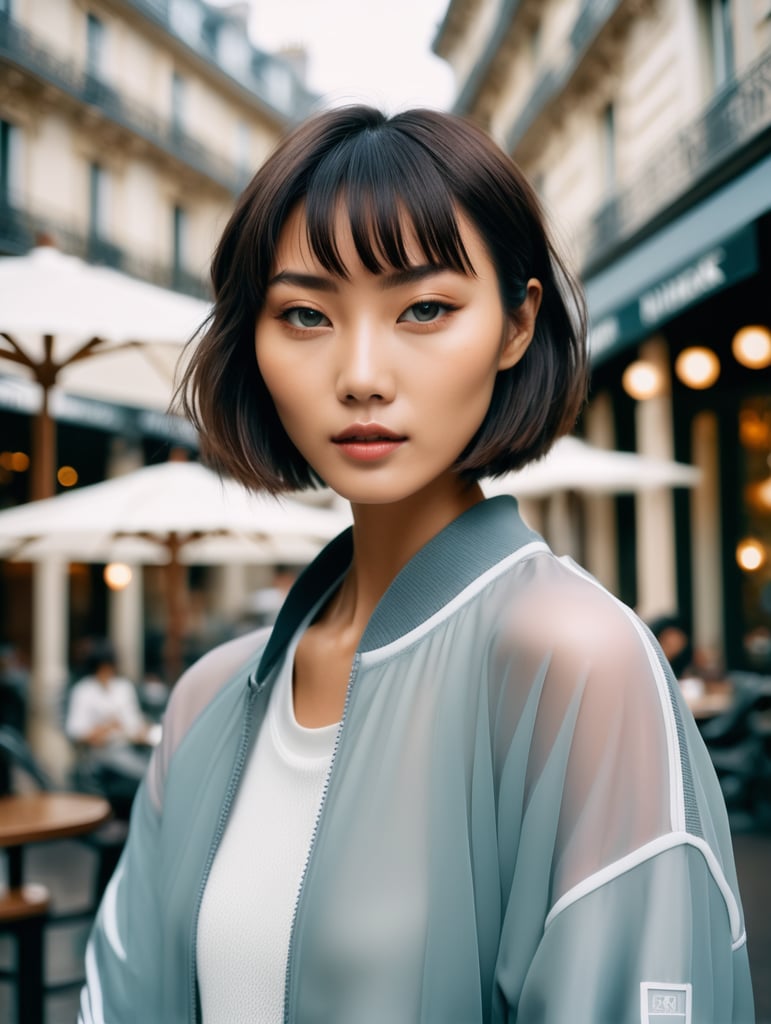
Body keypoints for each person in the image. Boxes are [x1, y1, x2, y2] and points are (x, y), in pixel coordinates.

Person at [79, 107, 754, 1023]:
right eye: (306, 314)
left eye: (425, 309)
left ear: (518, 324)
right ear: (256, 340)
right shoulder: (209, 698)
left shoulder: (573, 662)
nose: (361, 372)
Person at [66, 639, 152, 816]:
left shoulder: (123, 687)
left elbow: (134, 722)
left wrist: (142, 730)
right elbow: (77, 733)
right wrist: (107, 727)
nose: (108, 671)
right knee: (146, 776)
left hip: (132, 747)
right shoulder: (83, 691)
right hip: (103, 756)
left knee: (157, 767)